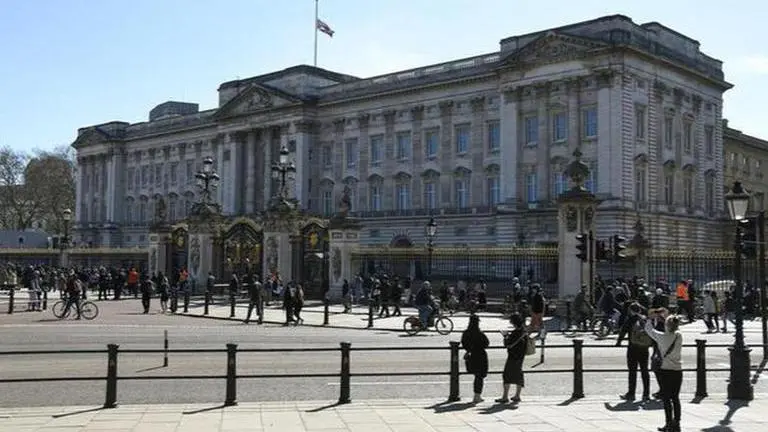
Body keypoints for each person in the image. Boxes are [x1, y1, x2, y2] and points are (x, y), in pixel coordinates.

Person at [645, 313, 683, 432]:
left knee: (666, 399)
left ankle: (668, 423)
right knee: (675, 398)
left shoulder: (661, 337)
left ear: (666, 325)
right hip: (677, 370)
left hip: (665, 370)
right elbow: (674, 327)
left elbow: (649, 330)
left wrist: (650, 319)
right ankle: (676, 423)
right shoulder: (679, 336)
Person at [616, 302, 652, 401]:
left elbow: (623, 331)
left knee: (632, 371)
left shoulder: (630, 320)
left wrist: (618, 342)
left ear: (631, 310)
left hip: (633, 348)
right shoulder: (645, 319)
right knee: (645, 371)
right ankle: (646, 394)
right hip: (644, 348)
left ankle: (631, 393)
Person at [497, 313, 527, 404]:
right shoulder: (523, 331)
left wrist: (505, 336)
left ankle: (505, 396)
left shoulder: (515, 333)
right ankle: (517, 395)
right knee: (518, 374)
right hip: (521, 356)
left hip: (512, 356)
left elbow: (508, 345)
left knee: (507, 375)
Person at [461, 314, 489, 403]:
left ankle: (476, 396)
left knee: (476, 375)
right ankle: (477, 395)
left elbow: (464, 344)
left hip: (471, 355)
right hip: (480, 355)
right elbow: (486, 343)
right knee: (479, 376)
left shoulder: (466, 333)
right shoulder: (480, 333)